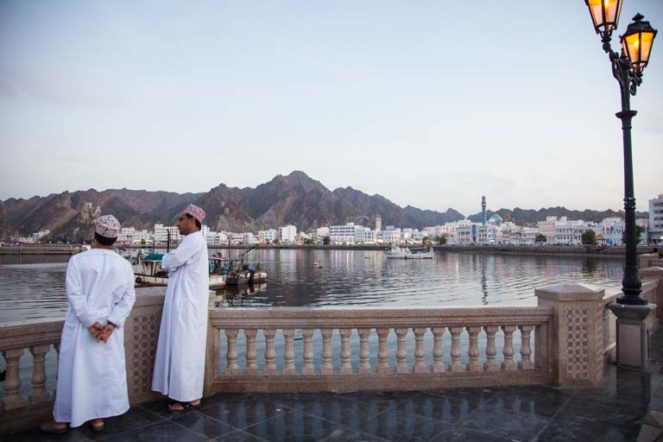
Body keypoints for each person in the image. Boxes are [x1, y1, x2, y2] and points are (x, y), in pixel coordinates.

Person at [39, 215, 136, 433]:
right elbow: (128, 299)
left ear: (95, 235)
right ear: (116, 238)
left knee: (74, 373)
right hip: (108, 332)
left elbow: (75, 296)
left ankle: (62, 420)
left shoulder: (78, 261)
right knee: (101, 373)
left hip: (82, 329)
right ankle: (97, 418)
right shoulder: (124, 265)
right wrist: (110, 324)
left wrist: (91, 323)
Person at [152, 204, 209, 412]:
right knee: (189, 350)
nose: (177, 224)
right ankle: (191, 395)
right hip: (190, 304)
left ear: (192, 220)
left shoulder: (193, 240)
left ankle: (182, 398)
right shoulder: (194, 241)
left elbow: (172, 260)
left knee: (183, 350)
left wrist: (166, 259)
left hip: (186, 305)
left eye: (181, 219)